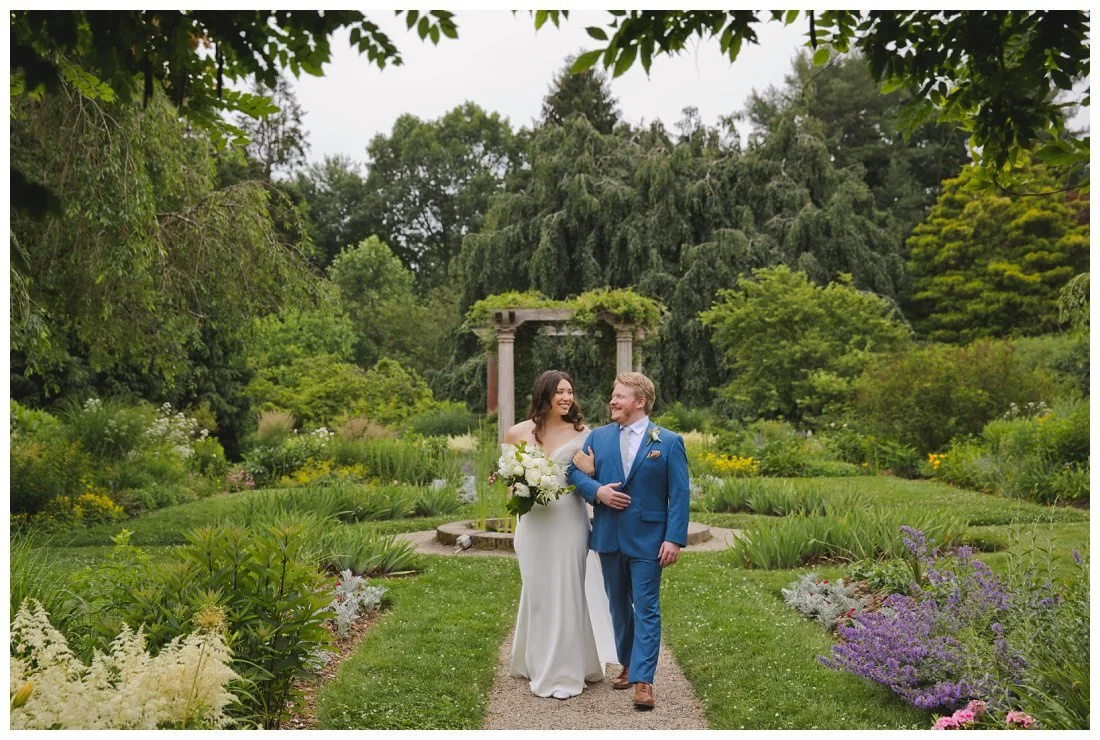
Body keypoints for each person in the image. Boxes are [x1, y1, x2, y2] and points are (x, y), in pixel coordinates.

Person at [567, 372, 691, 710]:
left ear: (640, 401)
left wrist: (674, 539)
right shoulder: (599, 437)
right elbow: (573, 471)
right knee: (618, 608)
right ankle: (628, 662)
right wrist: (598, 492)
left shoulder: (667, 441)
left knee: (647, 608)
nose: (612, 400)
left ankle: (644, 681)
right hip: (608, 536)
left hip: (650, 540)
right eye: (613, 394)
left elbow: (679, 495)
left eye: (619, 395)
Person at [505, 370, 617, 700]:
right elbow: (510, 482)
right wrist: (520, 488)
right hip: (534, 524)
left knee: (568, 590)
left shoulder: (586, 434)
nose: (567, 397)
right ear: (544, 395)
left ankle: (568, 668)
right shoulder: (518, 433)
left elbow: (596, 478)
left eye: (570, 391)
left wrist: (590, 472)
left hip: (569, 521)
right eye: (560, 392)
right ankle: (537, 662)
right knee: (538, 592)